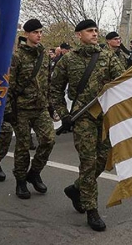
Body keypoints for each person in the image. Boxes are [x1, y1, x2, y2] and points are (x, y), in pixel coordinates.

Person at [52, 19, 126, 232]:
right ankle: (91, 209)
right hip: (82, 117)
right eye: (89, 31)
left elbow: (122, 80)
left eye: (95, 30)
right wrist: (64, 115)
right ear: (78, 35)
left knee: (102, 161)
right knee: (88, 161)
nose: (94, 34)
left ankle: (76, 189)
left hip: (103, 115)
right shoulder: (68, 60)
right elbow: (55, 89)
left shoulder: (107, 57)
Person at [5, 19, 55, 199]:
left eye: (41, 32)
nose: (39, 35)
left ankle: (34, 173)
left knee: (49, 140)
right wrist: (9, 110)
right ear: (27, 34)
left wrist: (50, 105)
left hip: (40, 108)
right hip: (22, 110)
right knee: (23, 147)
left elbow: (47, 81)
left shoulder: (44, 54)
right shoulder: (17, 56)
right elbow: (9, 85)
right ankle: (20, 181)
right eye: (35, 32)